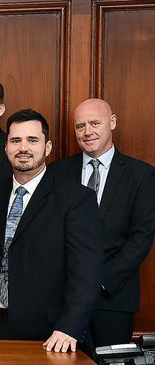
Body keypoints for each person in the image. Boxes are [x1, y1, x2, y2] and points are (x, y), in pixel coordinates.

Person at [0, 109, 104, 352]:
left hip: (50, 334)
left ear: (47, 147)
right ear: (5, 147)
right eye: (15, 141)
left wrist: (69, 327)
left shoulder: (76, 199)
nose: (23, 148)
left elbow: (87, 274)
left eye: (32, 140)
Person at [52, 98, 155, 347]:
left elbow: (141, 237)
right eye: (80, 126)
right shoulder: (57, 172)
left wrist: (98, 279)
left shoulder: (141, 175)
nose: (87, 132)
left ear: (112, 122)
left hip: (113, 299)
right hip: (63, 297)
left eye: (95, 123)